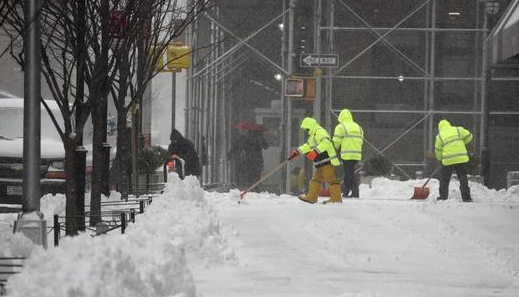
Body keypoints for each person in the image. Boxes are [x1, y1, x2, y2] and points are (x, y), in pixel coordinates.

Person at [289, 117, 342, 204]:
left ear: (309, 126)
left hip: (327, 160)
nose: (306, 130)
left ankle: (336, 199)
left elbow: (326, 142)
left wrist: (315, 152)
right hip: (320, 162)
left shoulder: (319, 131)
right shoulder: (313, 135)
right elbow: (308, 146)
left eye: (306, 128)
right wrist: (298, 152)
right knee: (316, 179)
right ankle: (312, 197)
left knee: (331, 179)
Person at [434, 119, 473, 202]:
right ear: (449, 124)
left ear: (439, 128)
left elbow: (438, 150)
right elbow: (469, 136)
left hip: (448, 159)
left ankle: (443, 197)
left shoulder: (439, 136)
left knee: (444, 179)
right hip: (460, 158)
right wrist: (462, 142)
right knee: (462, 178)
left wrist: (440, 159)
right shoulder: (457, 129)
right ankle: (467, 198)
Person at [332, 108, 364, 198]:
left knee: (348, 174)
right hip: (356, 154)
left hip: (346, 154)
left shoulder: (340, 127)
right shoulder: (358, 126)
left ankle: (350, 192)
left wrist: (337, 149)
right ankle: (352, 192)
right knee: (351, 173)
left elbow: (336, 141)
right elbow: (361, 140)